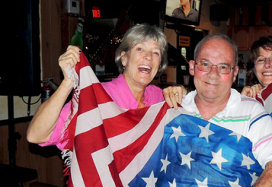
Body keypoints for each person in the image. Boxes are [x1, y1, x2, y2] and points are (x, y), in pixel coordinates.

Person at [176, 34, 272, 187]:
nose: (213, 74)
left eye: (223, 67)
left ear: (234, 72)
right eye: (205, 64)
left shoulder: (251, 112)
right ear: (193, 67)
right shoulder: (173, 109)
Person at [27, 23, 183, 148]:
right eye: (140, 49)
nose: (148, 57)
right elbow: (36, 135)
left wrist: (182, 93)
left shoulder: (158, 96)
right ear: (124, 58)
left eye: (156, 52)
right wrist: (68, 82)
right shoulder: (97, 96)